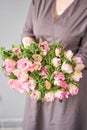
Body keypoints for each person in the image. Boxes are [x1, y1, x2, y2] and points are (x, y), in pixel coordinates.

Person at [21, 0, 87, 130]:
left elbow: (85, 54)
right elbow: (27, 33)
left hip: (68, 86)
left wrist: (58, 73)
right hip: (38, 84)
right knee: (36, 123)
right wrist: (34, 60)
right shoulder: (39, 2)